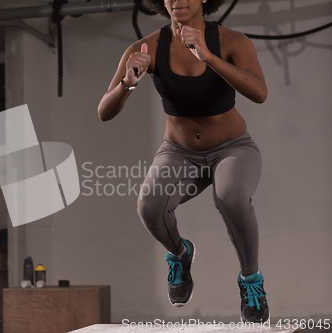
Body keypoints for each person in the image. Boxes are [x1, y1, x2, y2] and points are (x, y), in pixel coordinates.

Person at [97, 0, 270, 324]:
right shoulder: (145, 48)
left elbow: (259, 92)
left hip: (232, 148)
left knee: (230, 196)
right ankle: (180, 254)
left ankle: (251, 280)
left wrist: (209, 57)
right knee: (149, 206)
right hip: (179, 153)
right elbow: (104, 111)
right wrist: (128, 83)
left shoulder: (232, 41)